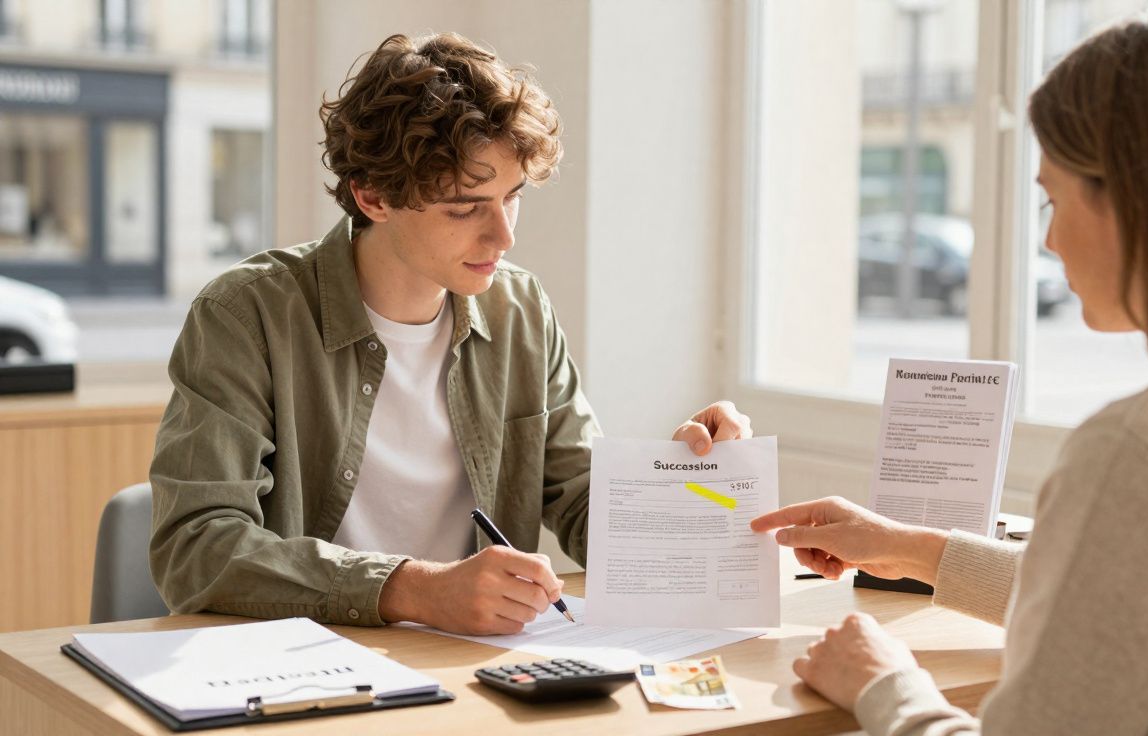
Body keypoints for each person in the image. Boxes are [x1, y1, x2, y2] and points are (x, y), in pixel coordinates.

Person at [752, 5, 1148, 733]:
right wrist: (913, 548)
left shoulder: (1143, 452)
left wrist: (884, 686)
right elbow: (1129, 601)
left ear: (1134, 199)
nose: (1046, 240)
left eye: (1051, 198)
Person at [149, 32, 750, 636]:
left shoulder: (520, 311)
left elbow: (586, 504)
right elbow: (195, 545)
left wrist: (688, 486)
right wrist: (414, 589)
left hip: (471, 666)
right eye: (465, 207)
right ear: (373, 195)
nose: (503, 237)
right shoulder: (247, 314)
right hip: (305, 666)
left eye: (511, 198)